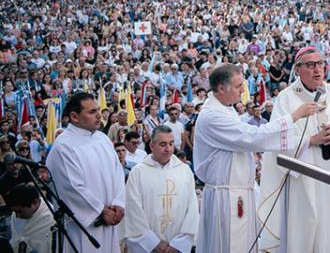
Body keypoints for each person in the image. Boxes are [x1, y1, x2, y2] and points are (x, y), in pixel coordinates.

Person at [193, 64, 320, 252]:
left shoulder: (226, 109)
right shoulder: (211, 116)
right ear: (221, 88)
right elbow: (253, 137)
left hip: (240, 191)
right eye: (237, 86)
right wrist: (294, 116)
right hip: (226, 197)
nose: (243, 90)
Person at [258, 46, 330, 253]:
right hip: (304, 179)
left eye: (320, 64)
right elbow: (277, 141)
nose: (317, 69)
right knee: (306, 230)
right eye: (310, 65)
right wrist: (312, 140)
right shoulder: (286, 99)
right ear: (297, 69)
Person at [46, 91, 126, 252]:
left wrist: (118, 203)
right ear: (74, 117)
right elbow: (72, 188)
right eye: (92, 112)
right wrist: (101, 211)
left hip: (110, 221)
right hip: (84, 228)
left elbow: (118, 173)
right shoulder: (64, 146)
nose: (99, 115)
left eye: (98, 110)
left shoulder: (102, 138)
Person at [124, 125, 199, 253]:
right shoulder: (138, 172)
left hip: (178, 246)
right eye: (163, 144)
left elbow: (192, 207)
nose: (168, 149)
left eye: (171, 144)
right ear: (152, 146)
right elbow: (133, 209)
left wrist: (180, 243)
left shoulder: (184, 170)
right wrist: (152, 243)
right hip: (148, 247)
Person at [7, 183, 55, 253]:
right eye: (14, 212)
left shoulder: (51, 219)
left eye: (20, 211)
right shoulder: (16, 213)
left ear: (35, 202)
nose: (17, 216)